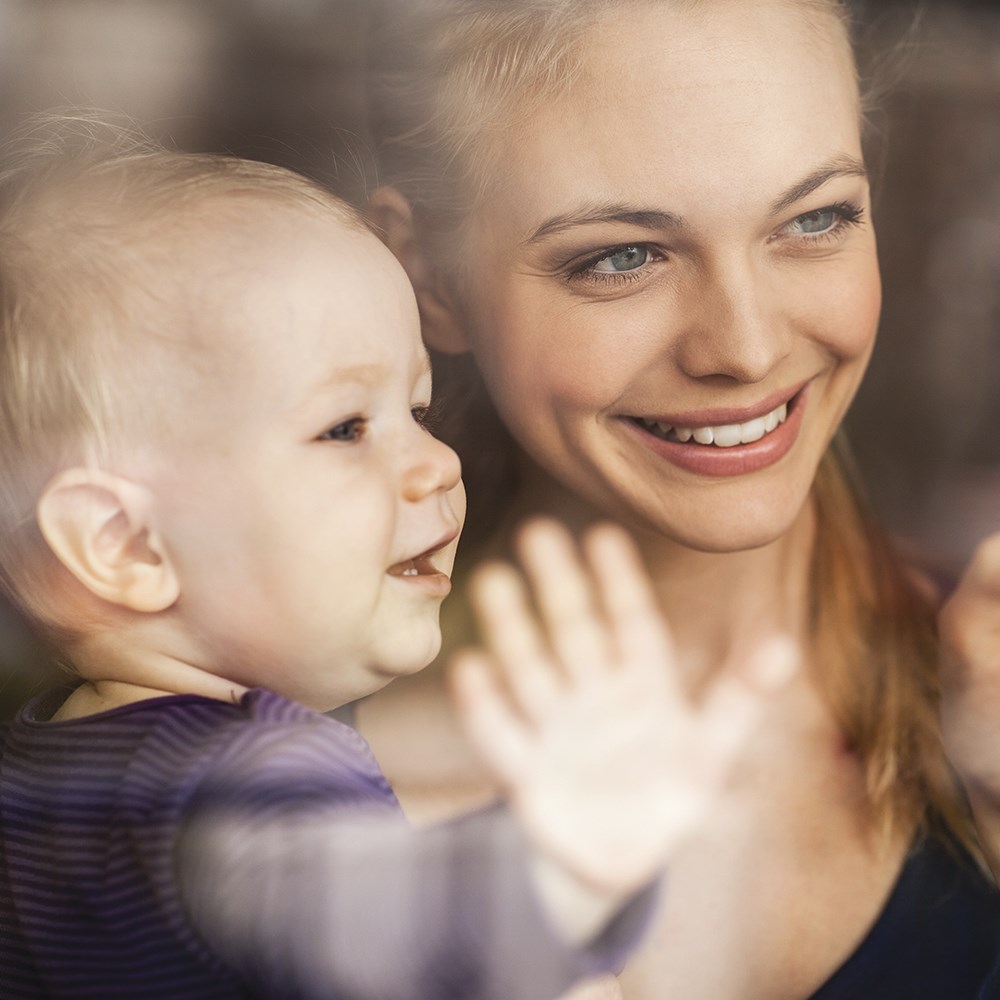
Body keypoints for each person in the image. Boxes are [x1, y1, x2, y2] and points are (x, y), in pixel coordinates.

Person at [0, 117, 791, 999]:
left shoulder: (47, 782)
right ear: (125, 544)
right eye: (345, 428)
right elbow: (404, 941)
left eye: (416, 413)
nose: (438, 464)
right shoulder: (254, 776)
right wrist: (565, 870)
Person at [359, 0, 1000, 996]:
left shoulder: (979, 688)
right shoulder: (251, 791)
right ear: (427, 276)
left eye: (814, 218)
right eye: (622, 255)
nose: (743, 347)